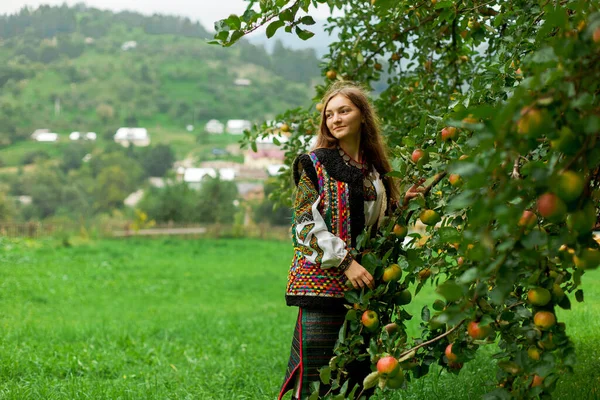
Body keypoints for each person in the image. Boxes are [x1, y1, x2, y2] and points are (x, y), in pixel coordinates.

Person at [278, 82, 417, 400]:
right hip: (321, 282)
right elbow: (304, 225)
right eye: (329, 114)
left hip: (364, 286)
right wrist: (345, 261)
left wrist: (406, 204)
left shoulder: (375, 172)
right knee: (317, 369)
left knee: (357, 370)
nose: (335, 119)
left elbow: (380, 230)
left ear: (363, 116)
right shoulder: (313, 165)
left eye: (344, 111)